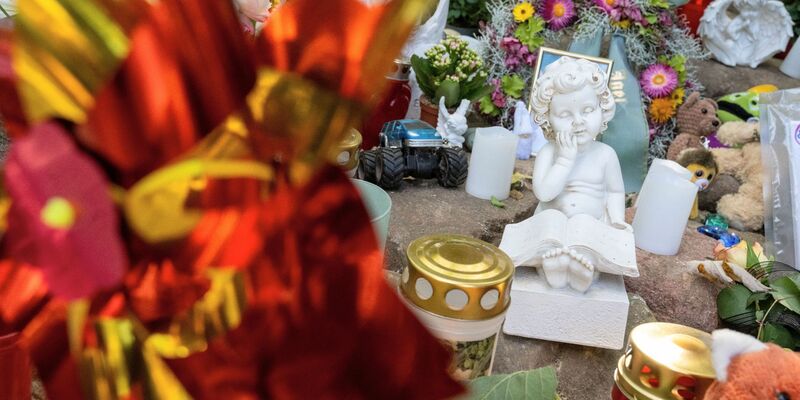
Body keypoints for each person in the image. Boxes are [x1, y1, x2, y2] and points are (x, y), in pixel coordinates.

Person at [519, 56, 633, 291]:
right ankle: (552, 266)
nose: (578, 122)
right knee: (549, 228)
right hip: (553, 225)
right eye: (564, 115)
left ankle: (583, 270)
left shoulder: (606, 154)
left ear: (602, 109)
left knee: (589, 235)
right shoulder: (548, 152)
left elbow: (615, 192)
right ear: (547, 119)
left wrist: (617, 219)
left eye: (588, 110)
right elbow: (544, 194)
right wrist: (564, 161)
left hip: (590, 228)